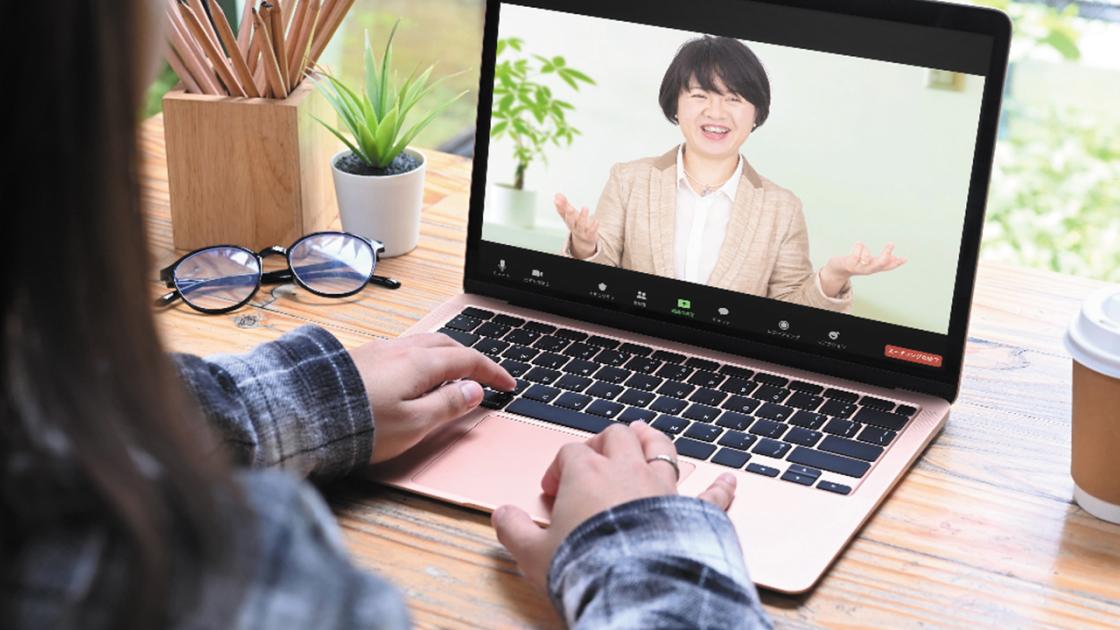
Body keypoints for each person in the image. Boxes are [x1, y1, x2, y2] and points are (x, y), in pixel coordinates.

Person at [1, 3, 772, 628]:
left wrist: (294, 401)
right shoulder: (239, 577)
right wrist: (641, 550)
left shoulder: (780, 208)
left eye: (732, 96)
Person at [556, 36, 906, 312]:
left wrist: (833, 276)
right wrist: (585, 247)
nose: (716, 112)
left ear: (756, 113)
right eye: (699, 95)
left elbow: (789, 316)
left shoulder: (782, 209)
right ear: (675, 105)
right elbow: (595, 288)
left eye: (734, 98)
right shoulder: (628, 180)